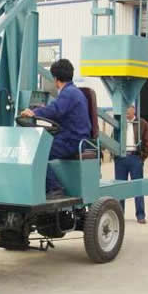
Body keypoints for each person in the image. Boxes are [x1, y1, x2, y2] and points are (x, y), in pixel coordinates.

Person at [20, 59, 91, 197]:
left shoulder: (68, 93)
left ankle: (55, 188)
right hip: (74, 139)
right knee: (42, 147)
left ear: (56, 79)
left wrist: (34, 112)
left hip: (72, 141)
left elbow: (56, 110)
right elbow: (58, 112)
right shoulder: (74, 92)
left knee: (36, 152)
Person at [114, 105, 148, 224]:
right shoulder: (118, 123)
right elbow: (112, 139)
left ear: (134, 109)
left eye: (128, 108)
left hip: (135, 157)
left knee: (138, 187)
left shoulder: (142, 123)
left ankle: (140, 215)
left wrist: (141, 158)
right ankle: (120, 215)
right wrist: (115, 155)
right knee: (120, 188)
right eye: (124, 108)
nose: (126, 111)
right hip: (121, 159)